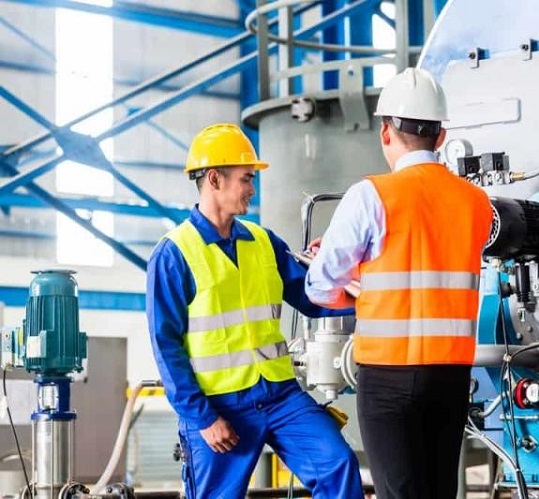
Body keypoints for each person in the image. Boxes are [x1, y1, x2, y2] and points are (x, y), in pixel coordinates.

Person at [146, 123, 363, 499]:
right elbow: (166, 347)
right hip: (220, 407)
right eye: (246, 179)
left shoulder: (263, 241)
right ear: (214, 179)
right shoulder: (173, 254)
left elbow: (314, 298)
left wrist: (357, 284)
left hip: (280, 396)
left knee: (337, 464)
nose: (252, 188)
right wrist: (204, 418)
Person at [305, 68, 493, 498]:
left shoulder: (370, 195)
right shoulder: (477, 203)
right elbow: (430, 268)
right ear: (440, 136)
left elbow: (319, 288)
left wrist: (351, 273)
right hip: (450, 376)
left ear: (385, 132)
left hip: (387, 376)